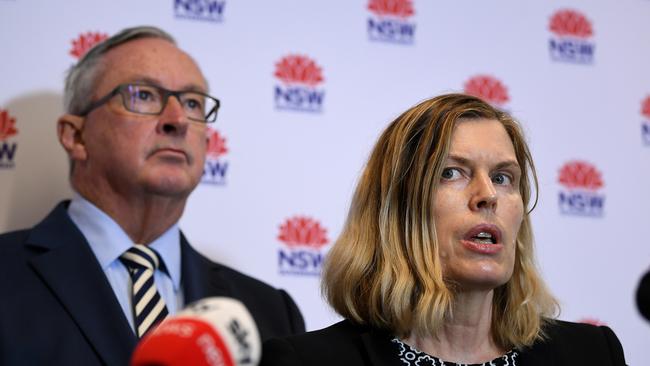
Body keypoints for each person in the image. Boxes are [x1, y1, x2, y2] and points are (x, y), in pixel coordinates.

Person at [0, 26, 304, 366]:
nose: (177, 120)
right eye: (143, 95)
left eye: (192, 103)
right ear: (76, 135)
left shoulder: (269, 313)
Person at [260, 94, 626, 366]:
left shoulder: (593, 354)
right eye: (452, 172)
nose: (488, 195)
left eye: (503, 177)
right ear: (395, 208)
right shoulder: (307, 362)